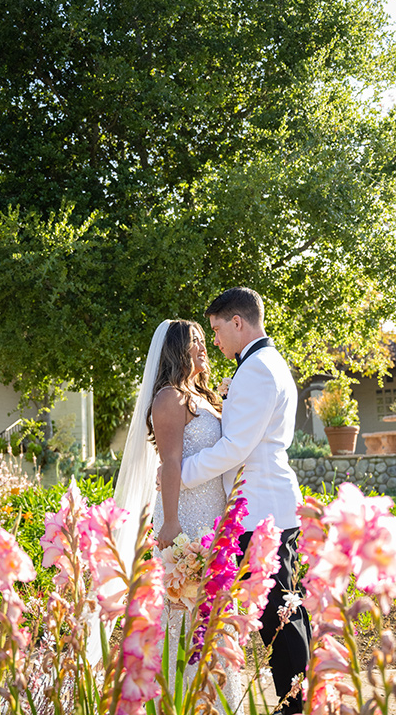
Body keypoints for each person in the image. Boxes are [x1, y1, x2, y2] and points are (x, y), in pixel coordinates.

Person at [179, 287, 311, 715]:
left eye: (217, 329)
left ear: (238, 322)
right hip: (265, 502)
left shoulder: (256, 369)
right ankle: (296, 701)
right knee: (281, 607)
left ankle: (296, 705)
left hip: (262, 506)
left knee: (279, 613)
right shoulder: (262, 363)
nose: (215, 340)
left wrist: (179, 476)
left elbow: (236, 446)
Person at [113, 318, 243, 714]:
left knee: (215, 616)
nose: (204, 347)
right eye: (196, 342)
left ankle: (217, 701)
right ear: (176, 350)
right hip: (184, 521)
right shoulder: (168, 398)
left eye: (206, 340)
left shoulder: (203, 397)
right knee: (182, 616)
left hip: (215, 521)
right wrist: (170, 523)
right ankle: (180, 703)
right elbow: (170, 462)